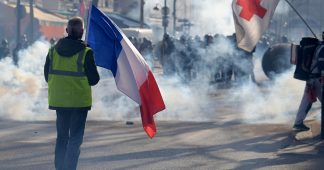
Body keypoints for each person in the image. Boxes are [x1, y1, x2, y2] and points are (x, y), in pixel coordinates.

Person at [44, 17, 100, 170]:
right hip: (79, 103)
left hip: (60, 102)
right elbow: (94, 80)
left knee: (62, 138)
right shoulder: (86, 52)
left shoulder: (52, 51)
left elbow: (46, 76)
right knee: (75, 139)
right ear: (82, 32)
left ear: (67, 31)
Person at [293, 34, 324, 131]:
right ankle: (298, 123)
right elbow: (321, 64)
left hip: (312, 77)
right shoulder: (322, 48)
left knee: (306, 101)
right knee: (307, 101)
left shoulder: (318, 45)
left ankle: (298, 123)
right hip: (317, 79)